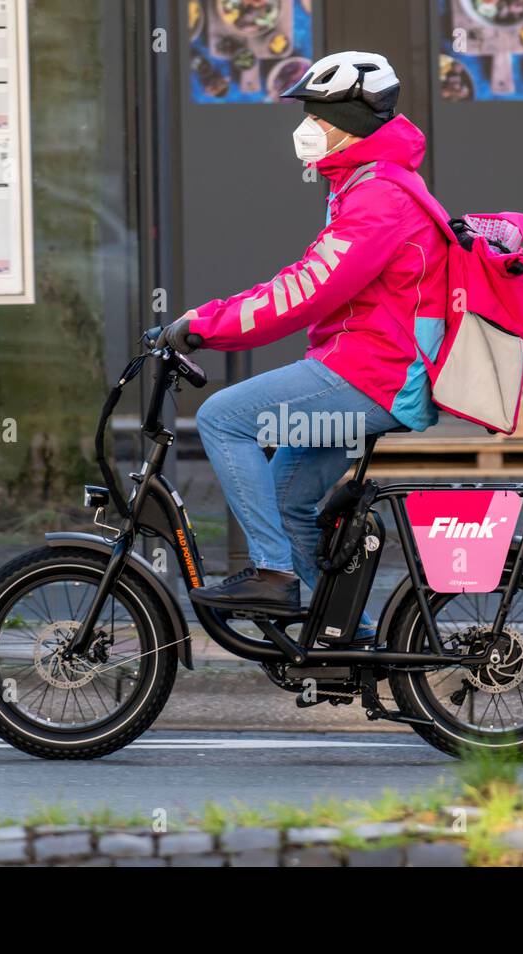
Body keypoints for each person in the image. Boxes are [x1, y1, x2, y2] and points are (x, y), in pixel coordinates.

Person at [155, 51, 449, 632]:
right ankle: (356, 643)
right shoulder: (366, 183)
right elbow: (313, 282)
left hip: (373, 376)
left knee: (222, 417)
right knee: (290, 503)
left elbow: (306, 290)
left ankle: (272, 575)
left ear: (356, 123)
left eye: (320, 115)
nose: (307, 128)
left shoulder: (379, 197)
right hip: (372, 373)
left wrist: (204, 325)